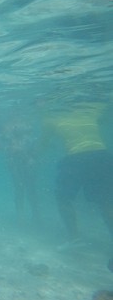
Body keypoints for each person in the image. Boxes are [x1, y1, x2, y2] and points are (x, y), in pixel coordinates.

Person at [43, 101, 113, 243]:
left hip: (76, 158)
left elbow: (43, 144)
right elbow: (104, 119)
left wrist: (34, 156)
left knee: (62, 197)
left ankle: (74, 238)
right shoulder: (91, 108)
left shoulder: (50, 118)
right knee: (105, 201)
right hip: (101, 156)